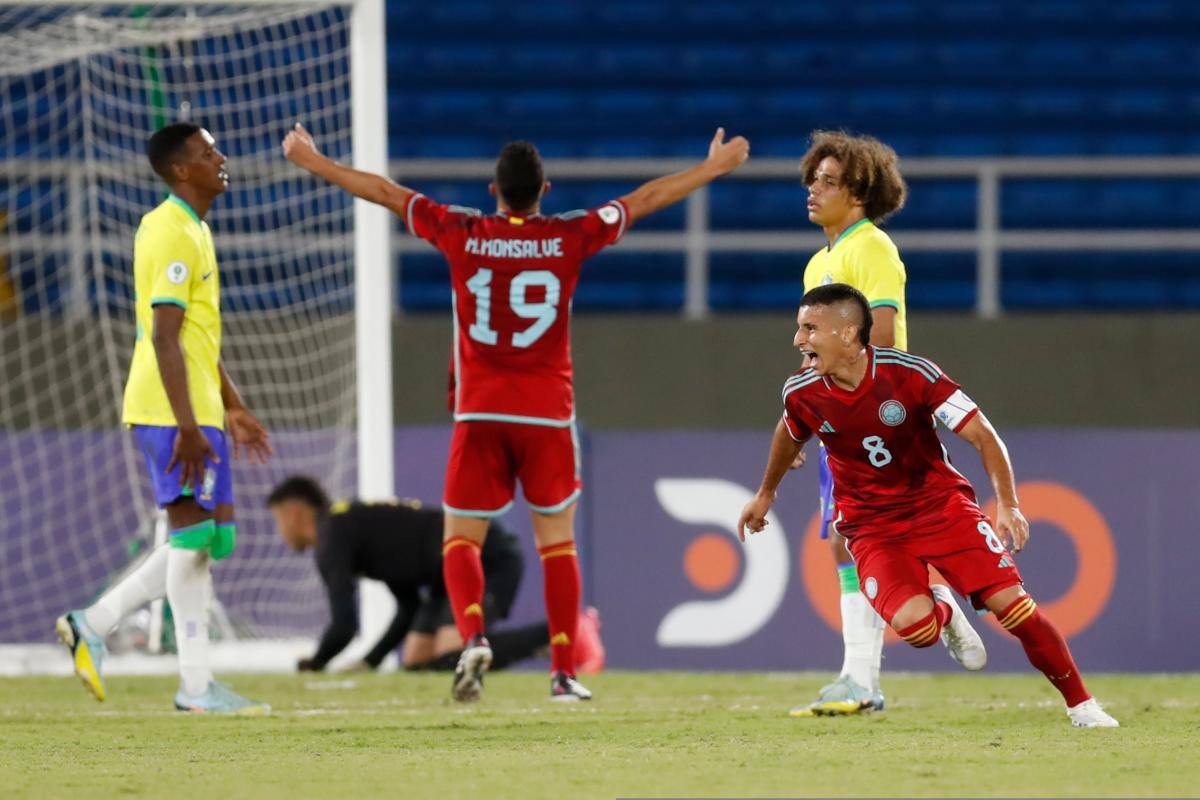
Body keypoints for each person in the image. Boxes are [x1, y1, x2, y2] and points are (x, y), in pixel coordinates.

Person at [283, 124, 749, 702]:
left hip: (480, 413)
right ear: (544, 190)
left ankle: (473, 633)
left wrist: (314, 160)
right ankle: (562, 672)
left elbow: (382, 191)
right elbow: (644, 199)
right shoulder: (568, 234)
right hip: (547, 415)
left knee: (460, 541)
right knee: (557, 544)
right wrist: (709, 169)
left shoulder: (461, 229)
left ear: (493, 190)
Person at [737, 284, 1118, 728]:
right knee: (917, 631)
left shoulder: (911, 374)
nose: (798, 341)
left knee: (1012, 607)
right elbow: (790, 432)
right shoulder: (801, 391)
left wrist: (1009, 504)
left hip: (940, 507)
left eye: (809, 329)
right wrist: (767, 493)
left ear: (846, 334)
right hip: (871, 525)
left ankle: (1082, 706)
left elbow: (982, 435)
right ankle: (944, 608)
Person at [56, 122, 273, 714]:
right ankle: (185, 681)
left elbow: (199, 337)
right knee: (196, 536)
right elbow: (164, 335)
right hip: (167, 408)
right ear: (182, 169)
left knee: (213, 538)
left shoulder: (197, 230)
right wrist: (185, 425)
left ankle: (100, 627)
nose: (221, 158)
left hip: (199, 407)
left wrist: (230, 405)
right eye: (208, 153)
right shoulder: (168, 231)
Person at [792, 130, 909, 716]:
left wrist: (856, 409)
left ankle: (862, 677)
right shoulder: (820, 260)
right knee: (847, 542)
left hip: (877, 414)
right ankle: (858, 677)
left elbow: (881, 336)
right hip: (839, 414)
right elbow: (815, 352)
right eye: (813, 178)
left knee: (855, 538)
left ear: (858, 192)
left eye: (829, 181)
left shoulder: (873, 248)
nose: (814, 189)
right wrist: (803, 420)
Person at [266, 475, 604, 674]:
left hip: (486, 556)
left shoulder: (333, 537)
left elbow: (345, 624)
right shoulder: (350, 528)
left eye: (279, 520)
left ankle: (565, 630)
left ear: (295, 512)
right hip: (447, 576)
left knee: (450, 658)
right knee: (417, 664)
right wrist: (371, 661)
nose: (282, 531)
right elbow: (409, 604)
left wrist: (316, 664)